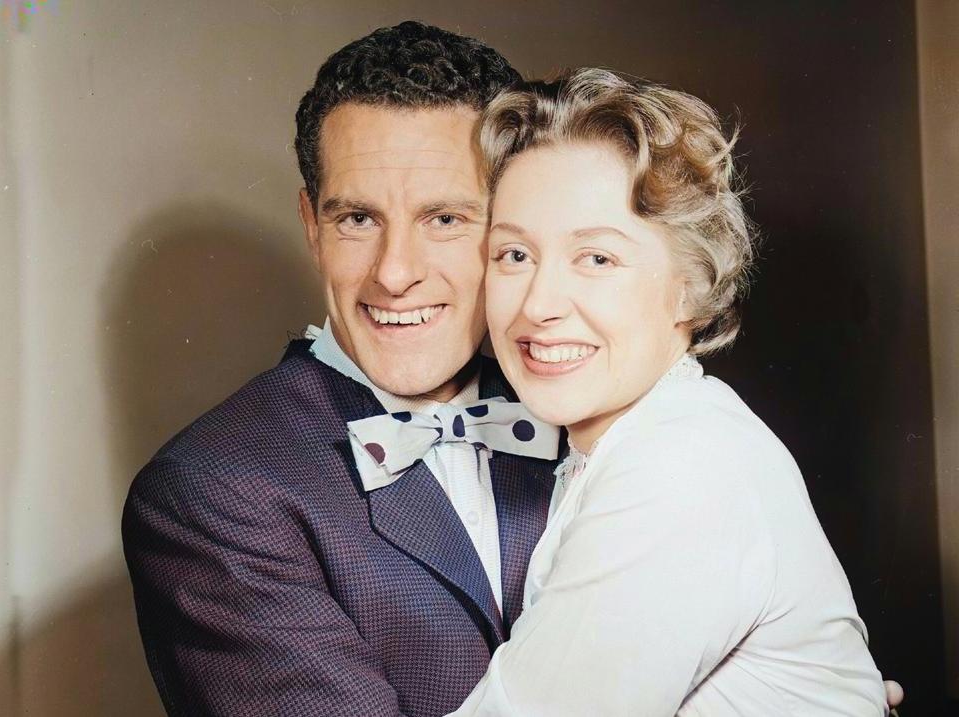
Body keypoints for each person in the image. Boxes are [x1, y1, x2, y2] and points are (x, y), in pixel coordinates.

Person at [122, 22, 560, 717]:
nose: (395, 273)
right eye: (357, 218)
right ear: (311, 225)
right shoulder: (209, 490)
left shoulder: (585, 417)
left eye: (445, 218)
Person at [449, 68, 888, 715]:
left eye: (596, 258)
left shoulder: (679, 466)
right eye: (514, 255)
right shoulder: (645, 439)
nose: (538, 304)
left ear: (690, 286)